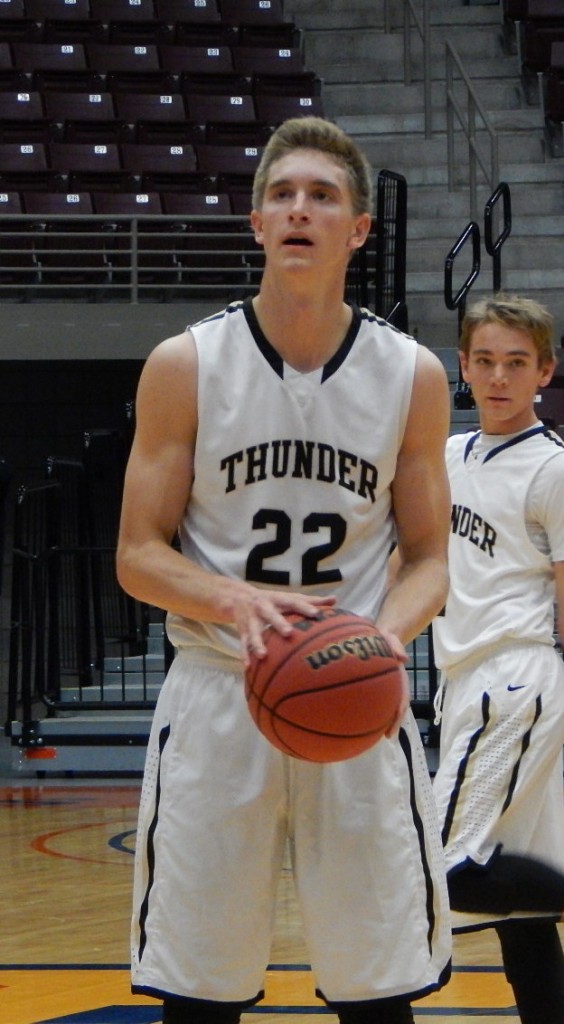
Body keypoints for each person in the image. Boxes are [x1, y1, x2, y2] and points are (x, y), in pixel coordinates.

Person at [116, 116, 452, 1024]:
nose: (300, 210)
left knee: (380, 995)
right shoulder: (185, 364)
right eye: (282, 195)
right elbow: (137, 555)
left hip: (358, 692)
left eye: (323, 196)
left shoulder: (413, 375)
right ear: (258, 224)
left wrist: (379, 638)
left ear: (358, 230)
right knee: (198, 996)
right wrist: (235, 599)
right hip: (221, 691)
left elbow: (429, 561)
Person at [431, 294, 564, 1023]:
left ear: (545, 370)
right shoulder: (448, 455)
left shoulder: (553, 468)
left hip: (519, 679)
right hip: (463, 680)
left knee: (430, 868)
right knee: (525, 916)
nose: (500, 376)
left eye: (517, 362)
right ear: (464, 366)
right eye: (485, 361)